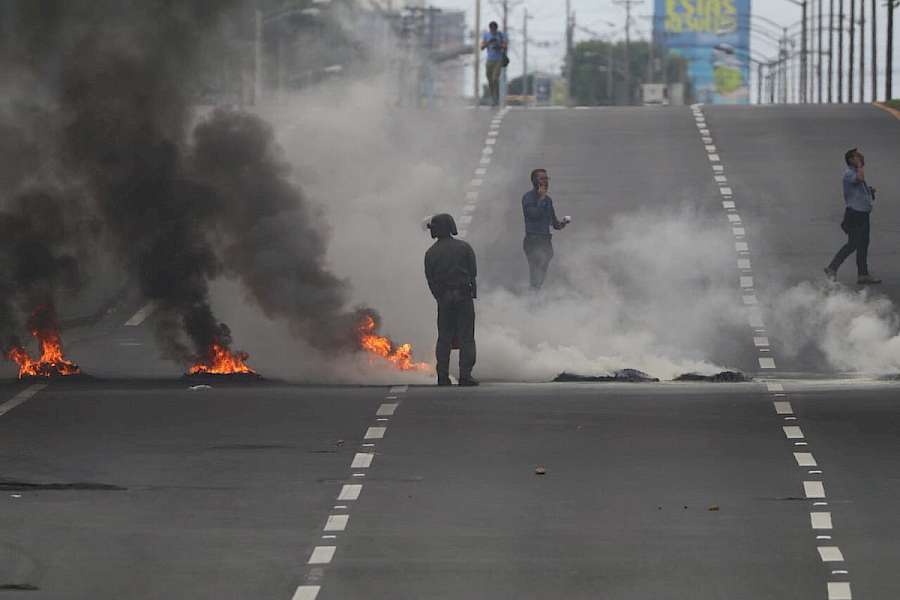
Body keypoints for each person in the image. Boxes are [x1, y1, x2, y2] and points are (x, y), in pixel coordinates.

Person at [424, 213, 479, 386]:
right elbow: (473, 272)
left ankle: (442, 376)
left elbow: (430, 279)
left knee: (444, 337)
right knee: (466, 337)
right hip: (463, 297)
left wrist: (439, 297)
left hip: (444, 299)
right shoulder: (464, 247)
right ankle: (465, 375)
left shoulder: (430, 253)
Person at [825, 148, 881, 285]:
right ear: (851, 160)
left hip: (862, 214)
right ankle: (832, 268)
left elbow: (858, 189)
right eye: (857, 156)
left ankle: (863, 274)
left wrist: (869, 192)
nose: (861, 157)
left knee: (863, 244)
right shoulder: (849, 173)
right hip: (855, 215)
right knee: (853, 244)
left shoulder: (854, 172)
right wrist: (860, 166)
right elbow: (860, 179)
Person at [522, 169, 569, 289]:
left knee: (544, 264)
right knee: (535, 268)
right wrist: (541, 199)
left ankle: (535, 289)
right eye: (542, 179)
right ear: (534, 181)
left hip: (545, 241)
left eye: (546, 179)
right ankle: (534, 292)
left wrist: (562, 223)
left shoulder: (548, 200)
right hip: (533, 240)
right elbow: (534, 215)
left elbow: (554, 222)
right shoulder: (528, 198)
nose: (546, 182)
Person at [480, 21, 507, 107]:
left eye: (494, 30)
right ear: (490, 29)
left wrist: (499, 46)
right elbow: (482, 47)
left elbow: (505, 46)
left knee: (495, 78)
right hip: (489, 60)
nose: (493, 32)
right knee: (490, 80)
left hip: (498, 60)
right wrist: (489, 42)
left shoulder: (501, 35)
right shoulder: (486, 35)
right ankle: (493, 97)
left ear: (496, 29)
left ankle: (496, 98)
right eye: (491, 30)